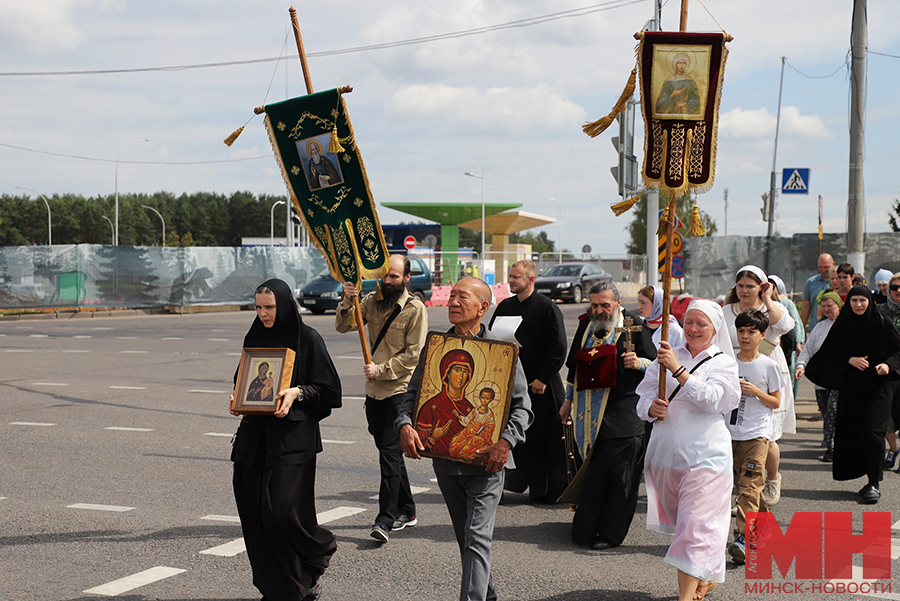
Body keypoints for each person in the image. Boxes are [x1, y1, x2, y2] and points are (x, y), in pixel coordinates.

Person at [397, 277, 532, 601]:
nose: (453, 302)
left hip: (487, 464)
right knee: (467, 540)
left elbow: (523, 407)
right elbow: (411, 397)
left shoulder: (503, 353)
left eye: (463, 297)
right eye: (452, 296)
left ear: (483, 308)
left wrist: (505, 443)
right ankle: (488, 593)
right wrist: (404, 425)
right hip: (447, 466)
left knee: (475, 538)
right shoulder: (436, 349)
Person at [230, 279, 342, 601]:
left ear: (284, 304)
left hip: (292, 444)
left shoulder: (308, 339)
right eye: (258, 307)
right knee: (255, 515)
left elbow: (331, 391)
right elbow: (244, 380)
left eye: (269, 307)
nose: (263, 314)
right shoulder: (254, 336)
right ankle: (279, 589)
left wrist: (299, 392)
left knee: (283, 512)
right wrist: (236, 397)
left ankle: (314, 560)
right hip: (253, 443)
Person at [637, 299, 741, 601]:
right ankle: (703, 579)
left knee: (695, 528)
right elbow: (642, 397)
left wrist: (679, 371)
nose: (693, 329)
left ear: (714, 329)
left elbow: (714, 400)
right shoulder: (667, 355)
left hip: (707, 457)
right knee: (693, 527)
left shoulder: (724, 363)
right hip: (666, 456)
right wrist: (650, 407)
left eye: (701, 324)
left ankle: (685, 597)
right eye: (690, 322)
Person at [335, 254, 428, 543]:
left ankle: (385, 519)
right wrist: (348, 298)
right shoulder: (370, 302)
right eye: (385, 276)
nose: (387, 282)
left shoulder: (415, 309)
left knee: (389, 455)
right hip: (373, 392)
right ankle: (408, 510)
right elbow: (343, 325)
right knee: (388, 452)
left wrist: (381, 369)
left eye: (394, 277)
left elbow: (413, 355)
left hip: (398, 391)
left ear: (407, 279)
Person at [561, 280, 656, 549]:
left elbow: (658, 366)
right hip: (589, 415)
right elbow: (574, 367)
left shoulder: (633, 326)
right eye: (595, 305)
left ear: (617, 303)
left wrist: (639, 363)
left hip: (624, 414)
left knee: (620, 480)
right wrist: (568, 401)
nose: (600, 310)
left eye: (605, 305)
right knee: (593, 474)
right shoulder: (586, 325)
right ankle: (586, 527)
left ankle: (610, 533)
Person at [805, 285, 900, 504]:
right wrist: (849, 359)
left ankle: (874, 482)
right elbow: (828, 354)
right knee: (855, 432)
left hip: (878, 388)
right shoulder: (843, 325)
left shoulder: (882, 324)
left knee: (873, 431)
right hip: (852, 388)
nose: (858, 305)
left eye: (862, 301)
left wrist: (887, 365)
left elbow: (898, 352)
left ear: (870, 302)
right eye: (854, 301)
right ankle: (865, 476)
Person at [488, 260, 568, 503]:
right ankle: (511, 483)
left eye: (516, 277)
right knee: (518, 437)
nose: (511, 281)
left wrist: (541, 378)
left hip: (541, 385)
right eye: (510, 277)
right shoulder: (505, 306)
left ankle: (548, 492)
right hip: (512, 383)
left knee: (546, 440)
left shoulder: (547, 308)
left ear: (531, 280)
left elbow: (558, 348)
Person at [723, 265, 794, 506]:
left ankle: (772, 478)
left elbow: (785, 326)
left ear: (761, 287)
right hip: (736, 370)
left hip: (766, 368)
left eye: (750, 286)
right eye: (740, 285)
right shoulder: (727, 311)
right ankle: (747, 490)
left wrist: (767, 299)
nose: (744, 290)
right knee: (736, 432)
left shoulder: (771, 308)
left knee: (768, 435)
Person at [726, 309, 782, 565]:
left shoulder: (769, 365)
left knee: (749, 487)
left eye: (751, 332)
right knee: (745, 486)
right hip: (729, 433)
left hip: (757, 435)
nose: (745, 336)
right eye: (741, 331)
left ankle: (741, 538)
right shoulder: (727, 361)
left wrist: (755, 391)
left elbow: (775, 402)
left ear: (762, 335)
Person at [794, 292, 843, 462]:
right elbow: (807, 350)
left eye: (830, 305)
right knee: (826, 412)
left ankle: (832, 447)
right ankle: (832, 442)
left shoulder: (847, 324)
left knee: (833, 412)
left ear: (838, 305)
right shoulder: (820, 327)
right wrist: (800, 366)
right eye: (824, 306)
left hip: (840, 380)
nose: (827, 309)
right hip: (821, 380)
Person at [768, 274, 805, 401]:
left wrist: (798, 342)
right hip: (770, 344)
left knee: (788, 373)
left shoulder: (786, 303)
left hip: (787, 344)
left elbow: (795, 323)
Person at [879, 273, 900, 469]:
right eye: (894, 287)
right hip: (887, 371)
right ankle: (893, 449)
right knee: (886, 416)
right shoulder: (880, 311)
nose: (898, 291)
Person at [637, 284, 684, 350]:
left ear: (656, 304)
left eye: (643, 303)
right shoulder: (637, 325)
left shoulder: (674, 330)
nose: (639, 307)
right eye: (639, 302)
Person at [801, 253, 834, 332]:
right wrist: (802, 329)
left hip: (833, 327)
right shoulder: (811, 282)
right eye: (820, 267)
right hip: (815, 327)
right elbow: (806, 306)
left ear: (833, 264)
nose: (823, 270)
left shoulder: (839, 283)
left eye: (826, 267)